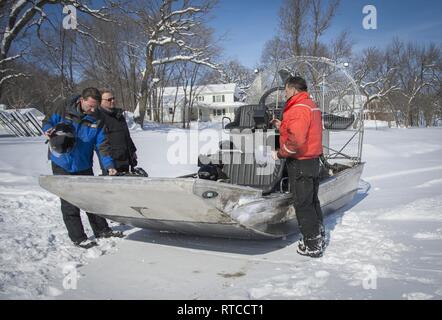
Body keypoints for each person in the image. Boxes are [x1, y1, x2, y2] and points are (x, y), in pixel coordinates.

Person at [42, 87, 124, 249]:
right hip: (62, 163)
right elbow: (47, 122)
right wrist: (47, 130)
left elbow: (102, 145)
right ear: (82, 100)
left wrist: (109, 165)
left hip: (83, 163)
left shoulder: (98, 119)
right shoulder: (63, 108)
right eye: (90, 106)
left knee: (91, 199)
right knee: (69, 202)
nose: (93, 110)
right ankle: (78, 237)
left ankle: (102, 230)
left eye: (96, 106)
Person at [272, 76, 325, 258]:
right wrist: (282, 125)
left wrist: (280, 153)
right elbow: (304, 129)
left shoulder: (297, 108)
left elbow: (297, 141)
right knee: (311, 201)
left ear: (293, 89)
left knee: (303, 205)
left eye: (286, 90)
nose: (284, 93)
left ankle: (312, 245)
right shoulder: (310, 105)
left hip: (301, 161)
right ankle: (318, 234)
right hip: (312, 160)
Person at [95, 89, 137, 175]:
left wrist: (132, 151)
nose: (113, 101)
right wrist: (109, 165)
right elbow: (101, 145)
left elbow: (127, 136)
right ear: (100, 101)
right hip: (111, 164)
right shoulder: (99, 118)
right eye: (109, 100)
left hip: (125, 160)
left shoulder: (119, 115)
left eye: (113, 98)